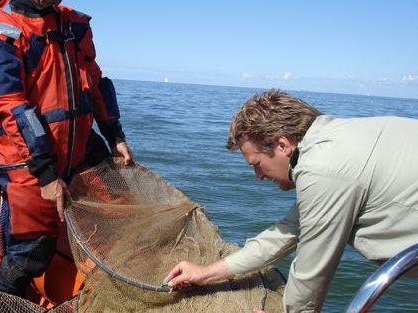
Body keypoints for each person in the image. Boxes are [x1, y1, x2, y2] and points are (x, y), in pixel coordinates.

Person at [164, 89, 418, 312]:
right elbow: (287, 231)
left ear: (283, 145)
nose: (259, 177)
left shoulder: (323, 169)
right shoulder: (335, 141)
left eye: (257, 165)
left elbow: (311, 273)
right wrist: (206, 273)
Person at [0, 0, 133, 296]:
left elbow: (93, 80)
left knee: (121, 198)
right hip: (28, 159)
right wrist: (46, 175)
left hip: (81, 146)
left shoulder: (72, 25)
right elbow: (10, 108)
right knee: (32, 253)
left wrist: (114, 135)